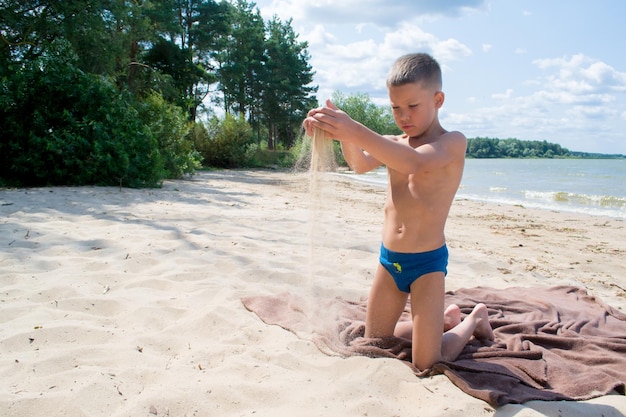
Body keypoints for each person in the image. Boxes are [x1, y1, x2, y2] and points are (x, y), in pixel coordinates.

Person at [304, 53, 494, 371]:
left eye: (412, 106)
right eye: (395, 108)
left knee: (426, 361)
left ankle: (473, 320)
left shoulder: (453, 142)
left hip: (427, 265)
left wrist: (355, 130)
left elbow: (414, 162)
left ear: (438, 99)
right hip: (389, 261)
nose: (403, 116)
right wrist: (338, 131)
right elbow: (360, 163)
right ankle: (444, 320)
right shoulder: (393, 142)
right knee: (375, 342)